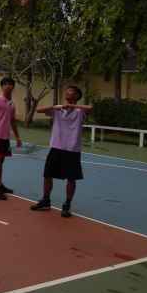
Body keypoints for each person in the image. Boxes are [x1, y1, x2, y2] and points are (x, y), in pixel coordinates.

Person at [31, 86, 92, 217]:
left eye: (71, 92)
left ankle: (67, 205)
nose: (68, 93)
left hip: (72, 149)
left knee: (71, 178)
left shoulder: (80, 111)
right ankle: (46, 200)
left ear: (77, 96)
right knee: (47, 174)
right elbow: (38, 110)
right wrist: (56, 107)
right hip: (56, 147)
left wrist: (72, 106)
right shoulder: (58, 109)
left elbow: (90, 108)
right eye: (67, 91)